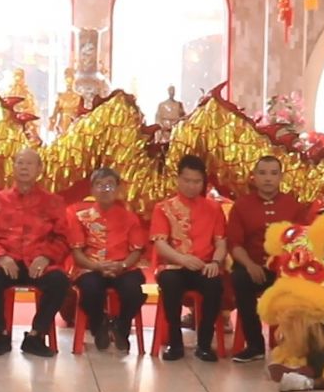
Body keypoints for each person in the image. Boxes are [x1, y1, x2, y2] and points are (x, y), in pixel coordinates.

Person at [0, 148, 69, 357]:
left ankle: (36, 335)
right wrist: (1, 256)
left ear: (40, 169)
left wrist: (46, 257)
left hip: (39, 263)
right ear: (13, 167)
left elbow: (63, 238)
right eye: (20, 163)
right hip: (7, 261)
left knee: (59, 281)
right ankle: (0, 333)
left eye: (29, 164)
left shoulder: (53, 202)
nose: (24, 168)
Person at [226, 155, 304, 363]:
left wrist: (286, 267)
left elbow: (301, 241)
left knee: (302, 286)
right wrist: (250, 265)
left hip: (285, 270)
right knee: (240, 280)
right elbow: (234, 244)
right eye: (262, 173)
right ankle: (254, 345)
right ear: (254, 177)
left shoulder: (293, 205)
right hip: (252, 266)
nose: (268, 178)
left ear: (281, 177)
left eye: (273, 173)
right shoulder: (241, 205)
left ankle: (291, 345)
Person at [151, 155, 228, 362]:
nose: (191, 186)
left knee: (214, 284)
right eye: (187, 180)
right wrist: (182, 259)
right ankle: (175, 343)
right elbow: (160, 244)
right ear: (178, 179)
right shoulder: (163, 208)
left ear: (203, 182)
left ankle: (204, 344)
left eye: (197, 181)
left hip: (204, 266)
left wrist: (215, 262)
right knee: (170, 282)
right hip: (174, 266)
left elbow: (221, 243)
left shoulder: (214, 208)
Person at [66, 168, 146, 353]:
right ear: (92, 190)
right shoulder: (79, 216)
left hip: (123, 267)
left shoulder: (130, 218)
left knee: (133, 291)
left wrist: (122, 265)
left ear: (118, 189)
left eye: (109, 185)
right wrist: (96, 266)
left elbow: (136, 251)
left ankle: (121, 327)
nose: (104, 189)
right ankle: (99, 326)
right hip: (90, 267)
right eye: (99, 185)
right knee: (90, 289)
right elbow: (77, 252)